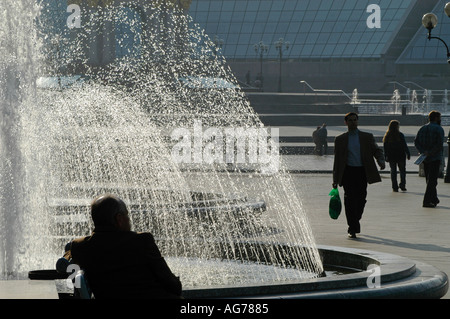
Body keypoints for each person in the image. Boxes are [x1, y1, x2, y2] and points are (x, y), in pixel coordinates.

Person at [59, 194, 182, 299]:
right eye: (127, 215)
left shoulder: (80, 246)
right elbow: (171, 284)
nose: (129, 219)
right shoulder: (142, 241)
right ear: (119, 219)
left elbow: (68, 258)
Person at [332, 112, 385, 238]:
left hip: (362, 171)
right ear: (346, 122)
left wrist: (380, 160)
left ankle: (355, 218)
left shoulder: (366, 137)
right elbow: (337, 161)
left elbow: (376, 150)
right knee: (349, 200)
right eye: (350, 120)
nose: (353, 122)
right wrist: (335, 178)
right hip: (348, 172)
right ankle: (353, 227)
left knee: (361, 198)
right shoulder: (340, 139)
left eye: (355, 120)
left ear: (358, 121)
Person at [414, 111, 445, 208]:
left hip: (425, 158)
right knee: (432, 180)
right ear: (436, 118)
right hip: (435, 158)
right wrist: (431, 152)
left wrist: (423, 151)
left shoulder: (423, 128)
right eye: (439, 117)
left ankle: (434, 198)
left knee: (429, 179)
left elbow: (416, 141)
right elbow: (439, 144)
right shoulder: (439, 129)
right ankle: (426, 201)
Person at [383, 120, 410, 192]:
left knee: (393, 171)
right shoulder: (400, 135)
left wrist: (385, 156)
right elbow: (404, 145)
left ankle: (394, 186)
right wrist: (408, 153)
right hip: (400, 155)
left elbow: (385, 147)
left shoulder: (387, 136)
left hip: (391, 156)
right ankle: (402, 185)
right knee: (402, 171)